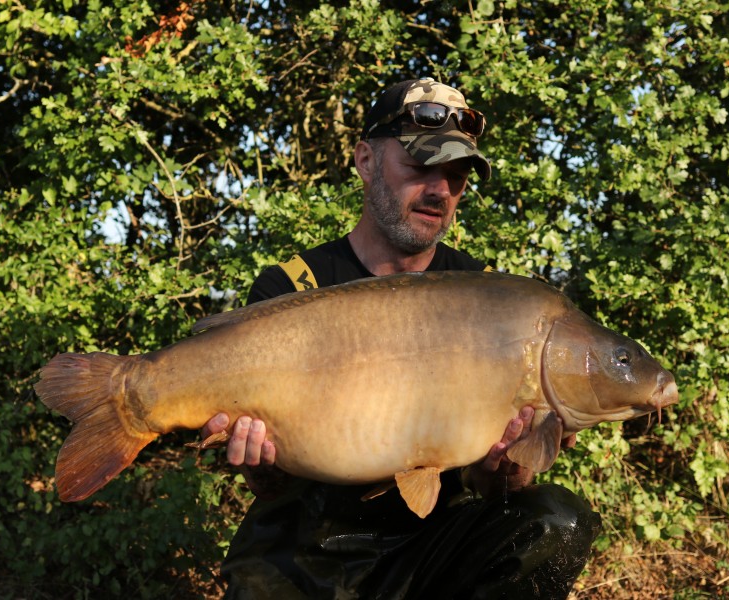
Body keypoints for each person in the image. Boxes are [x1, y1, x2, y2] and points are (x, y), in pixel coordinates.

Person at [201, 78, 601, 599]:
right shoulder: (293, 287)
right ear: (366, 161)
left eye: (456, 177)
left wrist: (508, 464)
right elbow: (270, 485)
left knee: (555, 520)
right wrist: (258, 465)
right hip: (310, 546)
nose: (440, 191)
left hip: (432, 540)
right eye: (419, 168)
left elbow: (494, 488)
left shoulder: (487, 297)